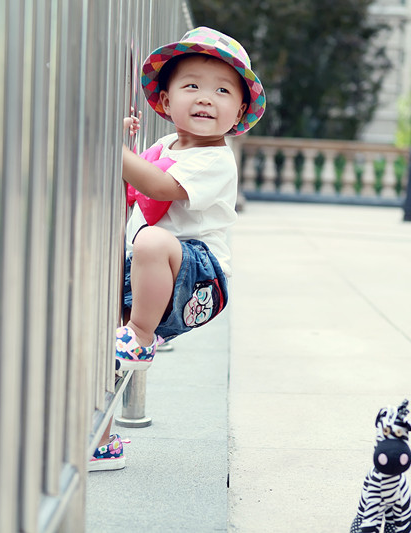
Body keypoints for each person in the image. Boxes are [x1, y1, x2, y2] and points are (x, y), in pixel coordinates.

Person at [89, 26, 265, 471]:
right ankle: (101, 442)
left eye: (223, 91)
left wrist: (107, 147)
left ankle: (142, 338)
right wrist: (124, 143)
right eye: (191, 87)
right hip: (153, 273)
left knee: (150, 241)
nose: (206, 98)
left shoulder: (215, 159)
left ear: (239, 111)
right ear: (166, 102)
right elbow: (134, 190)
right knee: (102, 358)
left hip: (200, 278)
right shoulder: (165, 145)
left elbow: (156, 185)